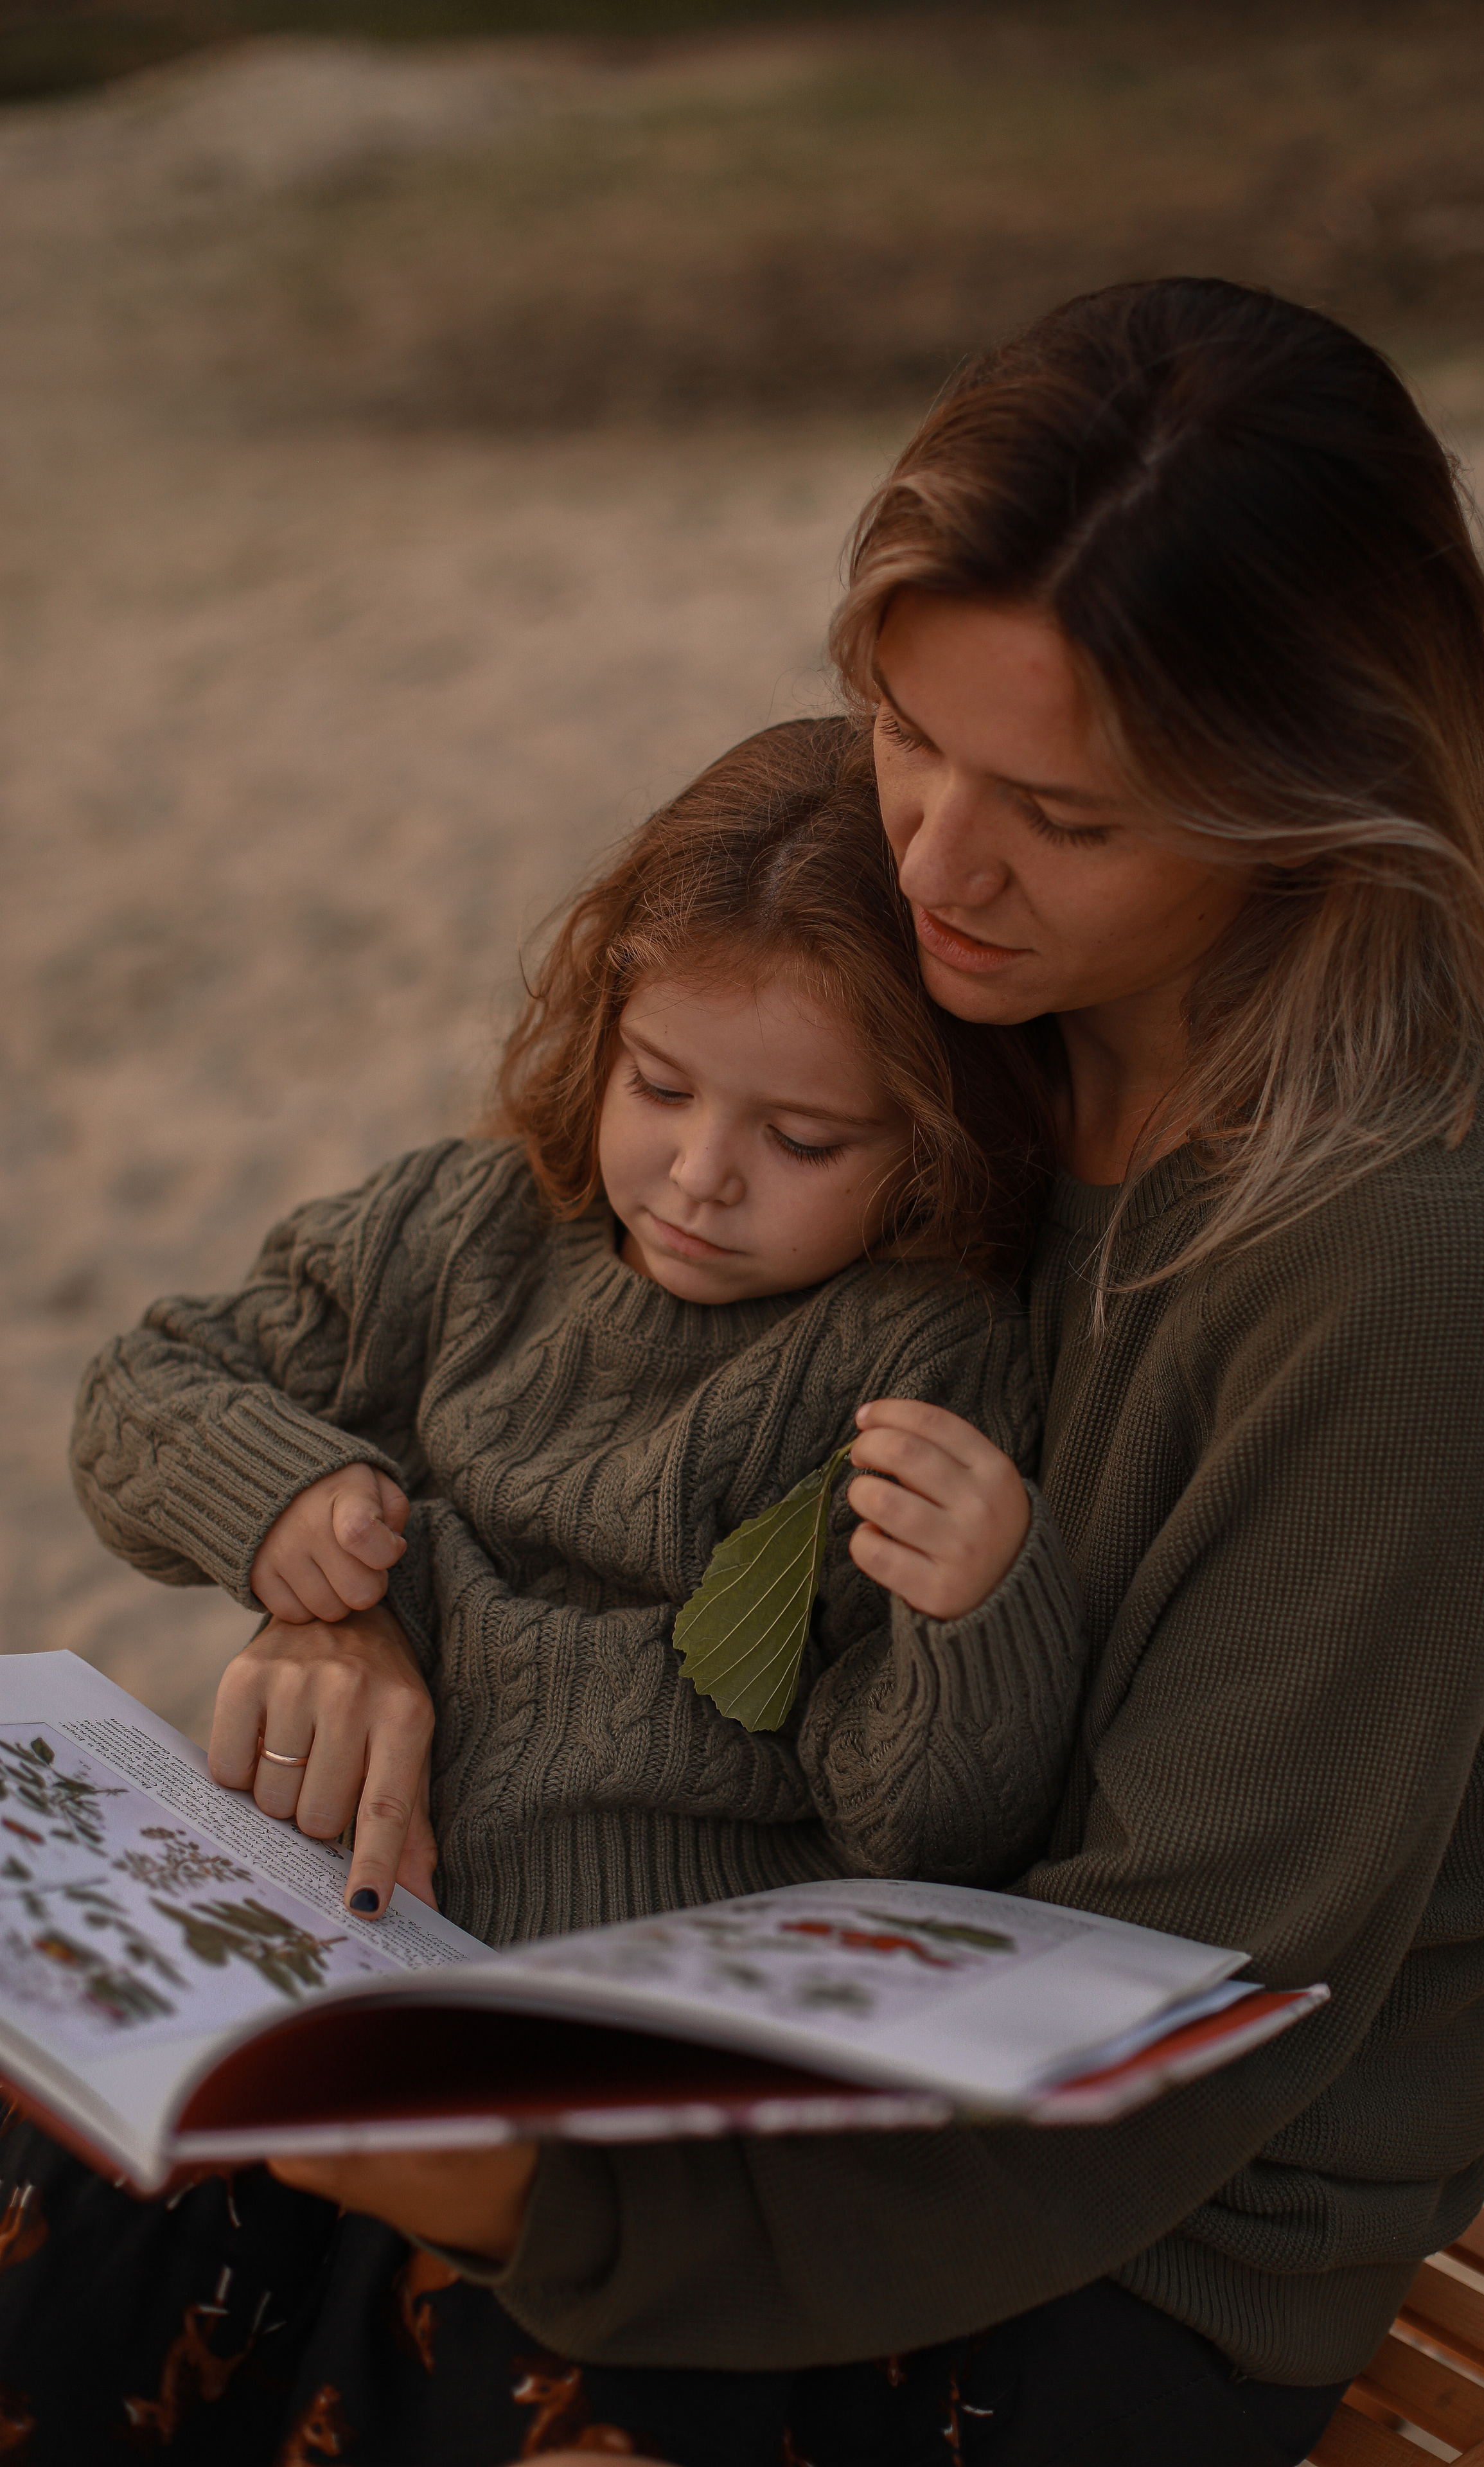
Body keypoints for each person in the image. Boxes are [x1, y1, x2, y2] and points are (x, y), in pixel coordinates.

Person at [6, 273, 1484, 2467]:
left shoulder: (1422, 1244)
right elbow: (545, 1358)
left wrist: (552, 2200)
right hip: (690, 1970)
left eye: (1065, 807)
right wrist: (369, 1617)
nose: (937, 861)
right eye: (910, 734)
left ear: (1315, 791)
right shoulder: (959, 1006)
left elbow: (1199, 2005)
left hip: (1113, 2226)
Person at [0, 718, 1084, 2463]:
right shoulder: (476, 1225)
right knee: (78, 2232)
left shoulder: (918, 1355)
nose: (699, 1173)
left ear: (938, 1144)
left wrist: (979, 1603)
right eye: (660, 1082)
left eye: (804, 1136)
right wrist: (277, 1497)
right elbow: (144, 1385)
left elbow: (923, 1819)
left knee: (442, 2363)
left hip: (621, 2047)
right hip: (338, 1954)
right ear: (602, 1025)